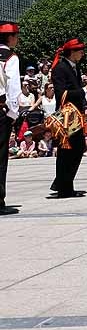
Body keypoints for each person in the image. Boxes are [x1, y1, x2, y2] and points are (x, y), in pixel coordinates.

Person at [50, 38, 87, 197]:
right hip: (67, 116)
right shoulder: (60, 68)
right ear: (72, 52)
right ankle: (64, 187)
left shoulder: (75, 67)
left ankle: (62, 181)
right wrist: (84, 90)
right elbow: (62, 94)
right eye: (80, 51)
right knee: (66, 151)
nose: (82, 53)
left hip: (77, 114)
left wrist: (85, 105)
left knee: (78, 147)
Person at [0, 22, 21, 214]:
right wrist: (13, 114)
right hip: (1, 110)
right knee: (0, 157)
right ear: (10, 38)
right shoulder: (11, 58)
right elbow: (13, 89)